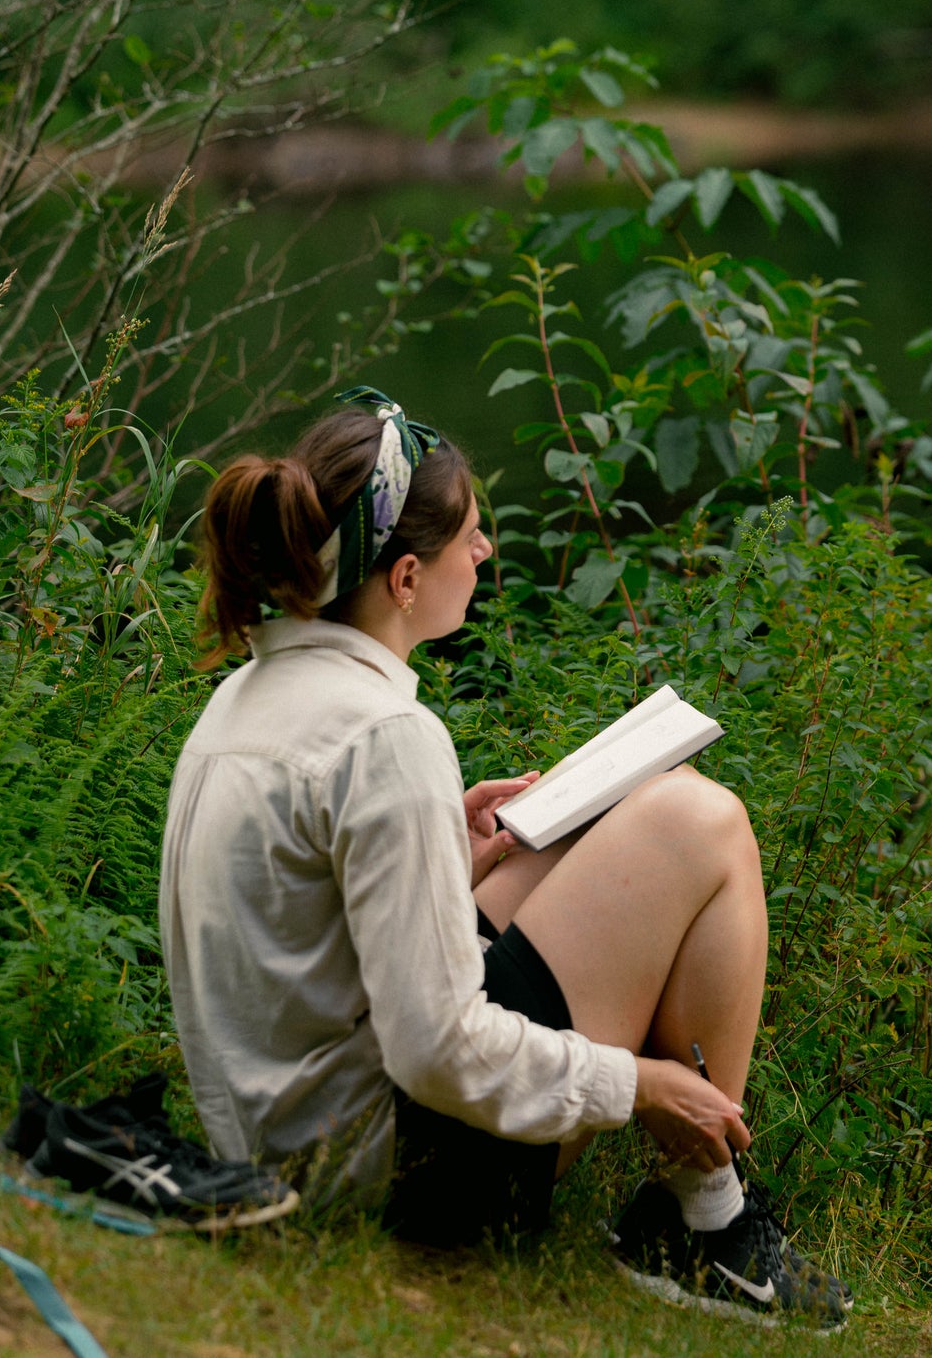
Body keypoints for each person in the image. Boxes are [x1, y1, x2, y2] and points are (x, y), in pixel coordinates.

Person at [158, 387, 849, 1326]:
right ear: (404, 579)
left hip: (276, 1145)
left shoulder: (241, 699)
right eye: (470, 536)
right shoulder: (385, 735)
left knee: (577, 828)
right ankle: (707, 1223)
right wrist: (639, 1084)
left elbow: (307, 946)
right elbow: (436, 1047)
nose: (484, 552)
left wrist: (454, 861)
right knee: (699, 819)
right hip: (390, 1177)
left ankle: (698, 1220)